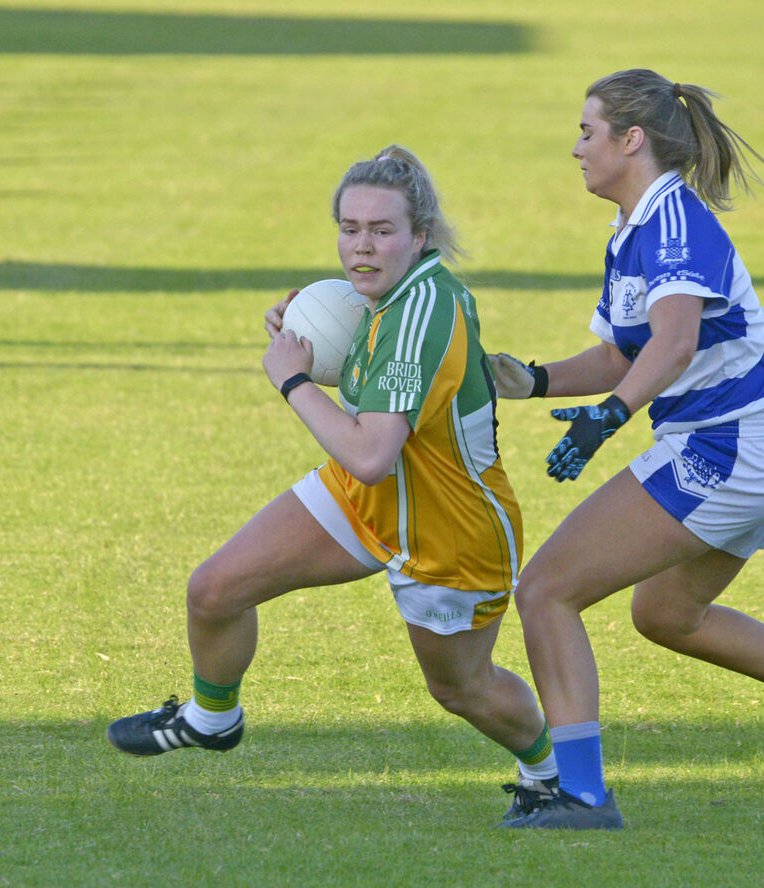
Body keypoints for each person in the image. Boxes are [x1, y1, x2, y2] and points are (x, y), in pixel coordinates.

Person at [488, 70, 764, 830]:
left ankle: (581, 795)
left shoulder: (674, 222)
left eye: (587, 131)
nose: (576, 148)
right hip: (754, 439)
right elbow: (621, 354)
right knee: (668, 613)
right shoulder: (636, 226)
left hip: (735, 443)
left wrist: (609, 418)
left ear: (631, 140)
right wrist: (533, 380)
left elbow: (674, 342)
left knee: (546, 590)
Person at [106, 145, 560, 823]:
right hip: (365, 496)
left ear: (420, 235)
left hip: (448, 530)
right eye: (349, 229)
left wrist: (291, 377)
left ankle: (549, 777)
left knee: (462, 689)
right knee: (215, 589)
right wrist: (308, 331)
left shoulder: (419, 313)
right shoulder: (392, 293)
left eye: (381, 230)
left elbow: (372, 451)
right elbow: (372, 410)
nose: (361, 247)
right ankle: (212, 719)